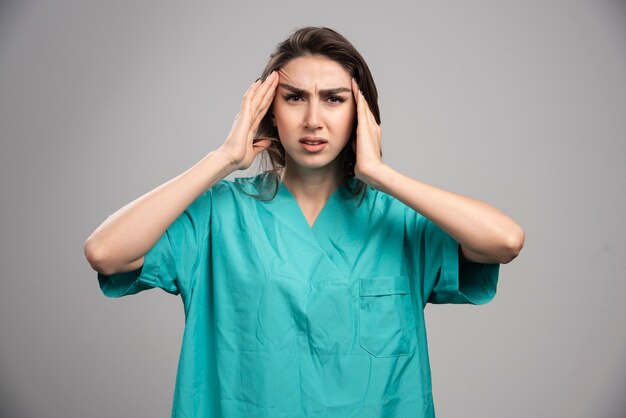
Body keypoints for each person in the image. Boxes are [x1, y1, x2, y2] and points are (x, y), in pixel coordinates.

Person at [84, 26, 524, 418]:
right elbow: (106, 253)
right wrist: (222, 160)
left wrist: (382, 175)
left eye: (334, 99)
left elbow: (504, 240)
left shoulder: (399, 222)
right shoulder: (219, 215)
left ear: (361, 114)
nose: (313, 120)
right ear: (269, 110)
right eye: (295, 98)